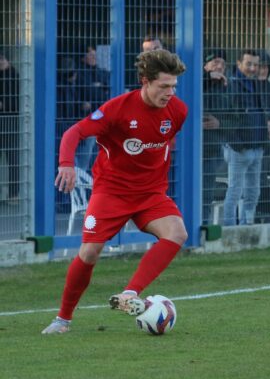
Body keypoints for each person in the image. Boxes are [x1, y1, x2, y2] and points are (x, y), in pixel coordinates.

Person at [42, 49, 188, 334]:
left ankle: (130, 294)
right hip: (112, 192)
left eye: (173, 86)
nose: (170, 93)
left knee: (177, 232)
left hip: (150, 193)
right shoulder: (117, 109)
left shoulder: (178, 111)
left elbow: (160, 144)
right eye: (164, 86)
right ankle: (63, 320)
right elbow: (74, 133)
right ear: (145, 81)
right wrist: (66, 165)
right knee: (90, 252)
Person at [223, 49, 270, 226]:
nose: (253, 68)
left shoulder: (258, 85)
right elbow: (226, 116)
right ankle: (229, 229)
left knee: (253, 192)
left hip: (257, 147)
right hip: (240, 149)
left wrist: (263, 142)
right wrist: (237, 144)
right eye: (248, 64)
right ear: (238, 64)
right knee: (234, 191)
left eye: (255, 64)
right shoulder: (231, 85)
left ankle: (247, 226)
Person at [202, 48, 230, 224]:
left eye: (222, 63)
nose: (219, 66)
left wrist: (220, 123)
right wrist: (207, 79)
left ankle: (202, 225)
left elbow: (237, 117)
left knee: (206, 191)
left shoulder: (228, 87)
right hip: (190, 149)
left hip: (213, 149)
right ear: (205, 65)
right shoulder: (195, 82)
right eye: (215, 62)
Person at [76, 45, 110, 171]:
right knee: (85, 155)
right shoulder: (80, 74)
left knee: (98, 156)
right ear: (83, 58)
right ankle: (80, 182)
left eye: (95, 55)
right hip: (88, 119)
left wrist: (98, 87)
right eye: (90, 55)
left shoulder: (102, 72)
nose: (94, 57)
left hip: (104, 119)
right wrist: (98, 88)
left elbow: (105, 91)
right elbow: (89, 92)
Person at [0, 52, 20, 204]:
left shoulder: (15, 76)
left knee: (13, 159)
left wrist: (4, 105)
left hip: (11, 122)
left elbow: (19, 101)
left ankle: (14, 194)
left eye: (2, 59)